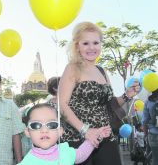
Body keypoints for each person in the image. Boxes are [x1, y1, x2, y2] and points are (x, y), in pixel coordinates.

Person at [58, 22, 140, 165]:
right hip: (79, 140)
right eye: (86, 43)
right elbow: (62, 104)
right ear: (77, 46)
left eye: (96, 42)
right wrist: (86, 130)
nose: (91, 47)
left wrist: (127, 95)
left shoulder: (102, 71)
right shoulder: (72, 68)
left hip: (106, 137)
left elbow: (110, 104)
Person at [18, 103, 111, 165]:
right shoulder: (27, 162)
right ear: (27, 132)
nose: (44, 130)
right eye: (36, 125)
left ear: (60, 131)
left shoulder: (65, 151)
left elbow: (81, 154)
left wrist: (96, 136)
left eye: (52, 124)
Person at [142, 88, 158, 165]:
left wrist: (145, 135)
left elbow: (144, 121)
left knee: (155, 158)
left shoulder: (148, 102)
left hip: (153, 135)